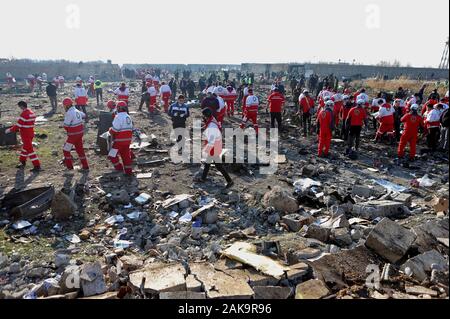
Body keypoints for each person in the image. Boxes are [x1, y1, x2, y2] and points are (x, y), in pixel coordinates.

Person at [198, 108, 233, 189]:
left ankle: (230, 181)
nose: (203, 117)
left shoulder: (211, 125)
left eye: (204, 116)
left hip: (214, 146)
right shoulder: (212, 119)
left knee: (218, 166)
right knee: (208, 163)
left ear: (206, 116)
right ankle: (203, 178)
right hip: (215, 145)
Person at [5, 101, 41, 172]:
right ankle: (22, 161)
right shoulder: (31, 112)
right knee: (25, 148)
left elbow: (18, 125)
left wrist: (10, 130)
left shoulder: (24, 114)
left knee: (30, 150)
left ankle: (37, 165)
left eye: (19, 107)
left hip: (25, 134)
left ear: (21, 106)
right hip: (30, 132)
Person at [62, 98, 89, 170]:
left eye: (64, 106)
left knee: (66, 150)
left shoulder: (69, 113)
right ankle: (85, 166)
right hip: (80, 133)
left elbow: (66, 125)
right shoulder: (76, 110)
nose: (64, 107)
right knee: (80, 150)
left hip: (73, 135)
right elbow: (84, 115)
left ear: (67, 106)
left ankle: (69, 167)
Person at [108, 101, 134, 175]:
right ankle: (128, 172)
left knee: (112, 155)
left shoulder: (118, 117)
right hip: (128, 140)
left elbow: (115, 130)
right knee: (126, 156)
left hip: (120, 141)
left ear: (118, 108)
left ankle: (119, 168)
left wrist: (110, 130)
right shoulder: (128, 116)